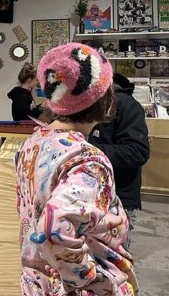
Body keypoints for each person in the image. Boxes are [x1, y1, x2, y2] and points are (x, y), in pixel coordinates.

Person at [16, 43, 137, 295]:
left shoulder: (34, 142)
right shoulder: (88, 160)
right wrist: (93, 280)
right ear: (101, 98)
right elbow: (55, 229)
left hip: (39, 283)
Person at [88, 73, 150, 249]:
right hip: (89, 194)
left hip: (118, 197)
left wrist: (88, 149)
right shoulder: (89, 103)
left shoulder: (126, 104)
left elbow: (138, 151)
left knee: (113, 256)